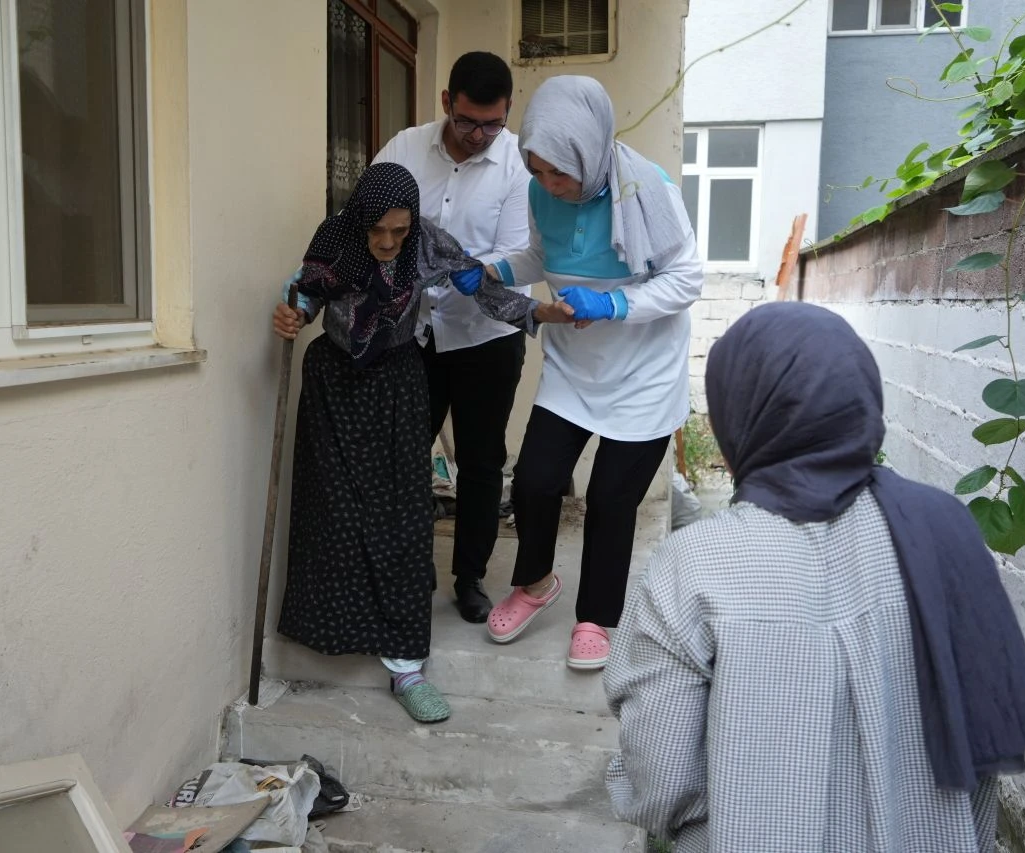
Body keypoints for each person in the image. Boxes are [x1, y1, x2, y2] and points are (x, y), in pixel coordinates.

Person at [603, 302, 1025, 852]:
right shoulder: (946, 530)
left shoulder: (693, 564)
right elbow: (983, 749)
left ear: (738, 415)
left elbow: (662, 780)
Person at [271, 162, 569, 724]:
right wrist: (294, 314)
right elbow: (305, 293)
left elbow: (483, 288)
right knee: (333, 509)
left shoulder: (428, 243)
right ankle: (337, 630)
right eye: (377, 231)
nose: (388, 242)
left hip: (398, 384)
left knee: (403, 517)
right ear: (359, 220)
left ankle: (406, 665)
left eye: (399, 231)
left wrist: (537, 312)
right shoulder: (333, 237)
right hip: (333, 384)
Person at [481, 76, 703, 670]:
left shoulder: (650, 189)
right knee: (534, 481)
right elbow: (542, 255)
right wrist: (495, 270)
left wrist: (614, 303)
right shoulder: (540, 194)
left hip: (645, 372)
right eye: (537, 171)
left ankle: (595, 617)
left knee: (610, 500)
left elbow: (687, 278)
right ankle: (535, 584)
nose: (549, 185)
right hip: (573, 367)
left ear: (589, 150)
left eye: (560, 173)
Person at [371, 52, 531, 624]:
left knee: (481, 461)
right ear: (446, 103)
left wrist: (481, 271)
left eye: (493, 124)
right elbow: (366, 216)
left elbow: (518, 252)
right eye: (467, 122)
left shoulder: (517, 164)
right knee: (402, 458)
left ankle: (470, 578)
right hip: (413, 333)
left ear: (507, 111)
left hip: (486, 336)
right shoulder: (405, 149)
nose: (480, 136)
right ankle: (412, 569)